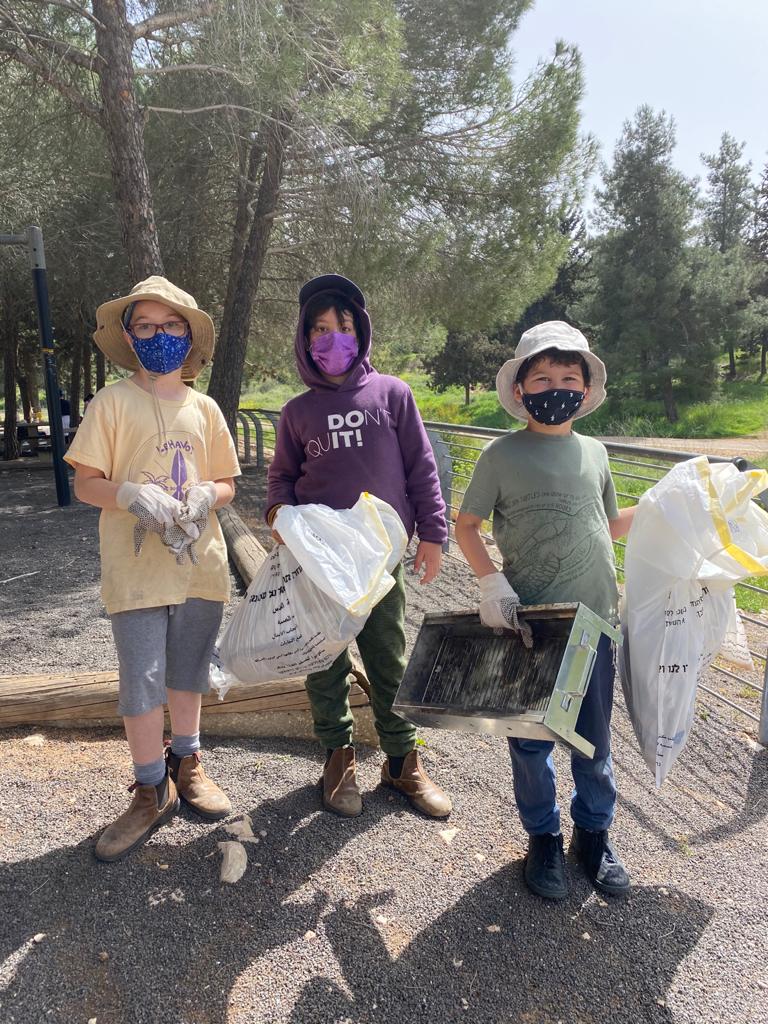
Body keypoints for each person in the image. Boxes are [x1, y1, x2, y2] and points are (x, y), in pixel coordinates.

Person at [455, 321, 636, 900]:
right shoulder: (501, 454)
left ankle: (594, 834)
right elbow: (467, 527)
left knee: (594, 741)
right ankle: (543, 837)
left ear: (584, 389)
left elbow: (607, 525)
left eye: (567, 378)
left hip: (594, 627)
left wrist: (667, 508)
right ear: (522, 388)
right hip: (531, 626)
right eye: (543, 378)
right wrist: (492, 583)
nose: (555, 387)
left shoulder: (596, 452)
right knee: (532, 744)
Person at [64, 276, 241, 862]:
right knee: (141, 678)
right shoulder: (111, 403)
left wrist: (205, 499)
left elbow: (226, 481)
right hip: (135, 570)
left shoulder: (206, 407)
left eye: (170, 325)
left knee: (188, 671)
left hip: (199, 566)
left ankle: (188, 765)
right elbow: (85, 482)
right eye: (146, 325)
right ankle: (148, 788)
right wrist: (131, 494)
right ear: (129, 336)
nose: (159, 335)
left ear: (188, 335)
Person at [266, 274, 451, 820]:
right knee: (323, 660)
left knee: (388, 659)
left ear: (361, 332)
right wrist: (277, 514)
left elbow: (422, 470)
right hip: (318, 564)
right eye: (319, 330)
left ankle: (401, 760)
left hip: (378, 564)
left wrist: (434, 534)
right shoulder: (297, 413)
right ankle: (338, 754)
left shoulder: (392, 394)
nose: (332, 339)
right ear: (304, 339)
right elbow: (281, 480)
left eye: (342, 328)